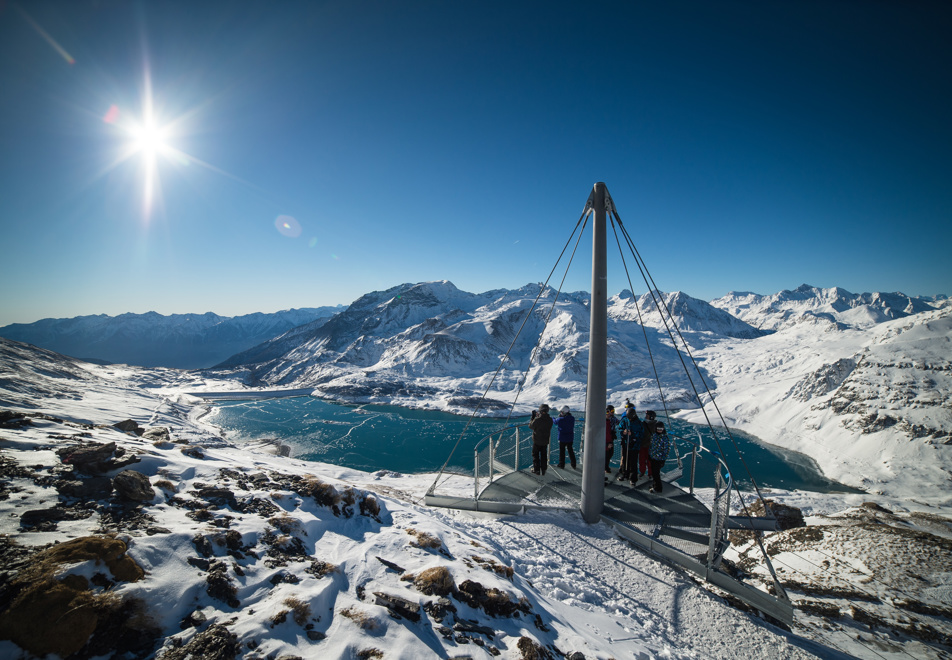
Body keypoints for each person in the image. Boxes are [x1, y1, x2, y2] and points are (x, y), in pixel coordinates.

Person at [617, 404, 642, 481]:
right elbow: (620, 428)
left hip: (635, 445)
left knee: (633, 462)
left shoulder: (638, 422)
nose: (630, 419)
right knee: (625, 460)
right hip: (626, 443)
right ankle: (625, 475)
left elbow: (641, 433)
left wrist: (633, 434)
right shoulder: (625, 420)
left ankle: (633, 478)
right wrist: (623, 432)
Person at [529, 403, 553, 476]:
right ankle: (543, 469)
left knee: (535, 455)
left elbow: (531, 426)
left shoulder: (538, 420)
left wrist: (533, 418)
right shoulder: (550, 420)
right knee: (543, 455)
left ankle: (536, 470)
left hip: (537, 441)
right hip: (545, 441)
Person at [648, 421, 672, 494]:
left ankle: (658, 488)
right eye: (658, 428)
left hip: (659, 459)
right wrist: (650, 454)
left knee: (656, 474)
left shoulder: (664, 438)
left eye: (661, 429)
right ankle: (654, 485)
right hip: (653, 457)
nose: (660, 430)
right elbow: (651, 446)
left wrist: (663, 460)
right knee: (654, 473)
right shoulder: (654, 436)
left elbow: (666, 449)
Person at [638, 410, 657, 480]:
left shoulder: (655, 425)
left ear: (651, 417)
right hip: (643, 445)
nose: (645, 417)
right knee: (642, 460)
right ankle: (642, 472)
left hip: (650, 446)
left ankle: (650, 474)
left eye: (647, 416)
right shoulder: (643, 424)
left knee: (650, 461)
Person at [605, 405, 619, 474]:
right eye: (612, 411)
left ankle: (606, 466)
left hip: (611, 437)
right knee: (606, 453)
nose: (613, 412)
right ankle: (605, 467)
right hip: (606, 437)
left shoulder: (613, 418)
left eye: (613, 411)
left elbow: (619, 422)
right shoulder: (606, 419)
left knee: (610, 453)